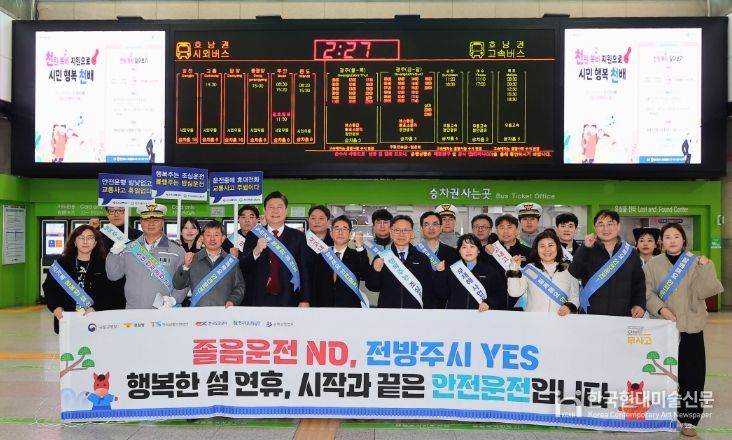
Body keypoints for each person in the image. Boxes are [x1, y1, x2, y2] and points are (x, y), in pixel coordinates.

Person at [644, 223, 722, 438]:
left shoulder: (696, 262)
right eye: (667, 237)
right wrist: (661, 309)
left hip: (691, 327)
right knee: (661, 373)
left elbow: (707, 291)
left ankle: (689, 419)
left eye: (676, 236)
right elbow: (647, 293)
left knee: (692, 375)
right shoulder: (652, 264)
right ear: (661, 242)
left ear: (684, 240)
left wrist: (705, 268)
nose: (672, 240)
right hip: (664, 326)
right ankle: (662, 414)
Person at [105, 204, 188, 309]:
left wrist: (174, 299)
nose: (151, 224)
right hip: (133, 311)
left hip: (164, 311)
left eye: (156, 220)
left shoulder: (176, 250)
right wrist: (113, 253)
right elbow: (113, 275)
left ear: (162, 222)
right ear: (141, 222)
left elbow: (184, 281)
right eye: (146, 220)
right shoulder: (129, 248)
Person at [239, 191, 312, 307]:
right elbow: (243, 267)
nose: (275, 211)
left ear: (286, 211)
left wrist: (305, 299)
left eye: (279, 207)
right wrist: (256, 251)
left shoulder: (297, 236)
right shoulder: (253, 235)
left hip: (290, 297)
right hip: (259, 298)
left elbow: (304, 269)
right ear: (264, 210)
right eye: (271, 207)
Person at [568, 209, 646, 317]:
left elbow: (639, 283)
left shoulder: (630, 252)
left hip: (622, 315)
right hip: (591, 314)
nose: (606, 229)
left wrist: (639, 304)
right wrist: (585, 248)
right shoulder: (587, 249)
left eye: (610, 224)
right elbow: (575, 272)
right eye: (601, 224)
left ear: (618, 226)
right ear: (595, 228)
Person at [43, 225, 111, 334]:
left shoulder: (104, 265)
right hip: (66, 319)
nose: (85, 241)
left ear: (95, 243)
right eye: (81, 237)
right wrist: (55, 307)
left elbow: (110, 292)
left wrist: (96, 308)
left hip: (95, 320)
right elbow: (49, 288)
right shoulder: (61, 264)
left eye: (90, 238)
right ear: (74, 242)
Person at [367, 215, 435, 309]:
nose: (401, 234)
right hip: (387, 312)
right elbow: (372, 287)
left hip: (415, 313)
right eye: (397, 230)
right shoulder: (382, 258)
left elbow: (429, 291)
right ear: (391, 232)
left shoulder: (422, 259)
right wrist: (376, 271)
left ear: (412, 233)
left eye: (406, 230)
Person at [173, 220, 245, 307]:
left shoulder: (231, 261)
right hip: (198, 313)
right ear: (202, 238)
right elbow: (178, 285)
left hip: (224, 312)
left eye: (216, 235)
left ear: (223, 238)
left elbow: (239, 287)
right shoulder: (193, 259)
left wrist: (233, 301)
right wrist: (185, 267)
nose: (212, 239)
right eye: (208, 235)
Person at [507, 230, 579, 314]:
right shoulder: (529, 269)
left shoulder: (568, 269)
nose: (546, 250)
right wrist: (514, 269)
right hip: (534, 320)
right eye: (542, 246)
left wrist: (569, 307)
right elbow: (514, 293)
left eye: (550, 245)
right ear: (537, 249)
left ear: (557, 247)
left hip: (560, 319)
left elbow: (575, 296)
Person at [310, 215, 371, 308]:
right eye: (337, 228)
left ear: (350, 235)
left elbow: (365, 275)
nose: (340, 232)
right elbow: (313, 285)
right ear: (331, 234)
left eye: (344, 229)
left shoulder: (356, 255)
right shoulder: (321, 256)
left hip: (349, 308)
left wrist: (359, 246)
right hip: (323, 308)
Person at [439, 233, 505, 311]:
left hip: (481, 315)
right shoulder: (451, 270)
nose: (468, 250)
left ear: (478, 250)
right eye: (464, 247)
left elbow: (499, 294)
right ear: (459, 251)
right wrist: (440, 274)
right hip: (456, 315)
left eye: (472, 247)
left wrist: (488, 303)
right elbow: (442, 294)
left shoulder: (491, 271)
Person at [98, 206, 143, 310]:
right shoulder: (98, 236)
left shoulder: (140, 236)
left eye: (121, 210)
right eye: (112, 210)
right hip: (105, 292)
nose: (116, 214)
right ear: (107, 213)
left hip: (133, 292)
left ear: (128, 211)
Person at [483, 214, 532, 309]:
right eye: (501, 228)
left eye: (509, 227)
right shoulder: (489, 251)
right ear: (497, 231)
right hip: (493, 305)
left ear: (517, 230)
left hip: (520, 305)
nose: (505, 231)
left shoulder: (529, 252)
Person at [418, 211, 458, 308]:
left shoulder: (453, 253)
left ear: (441, 228)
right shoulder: (413, 252)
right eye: (426, 224)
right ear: (421, 229)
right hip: (418, 306)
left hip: (445, 306)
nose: (431, 228)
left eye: (435, 224)